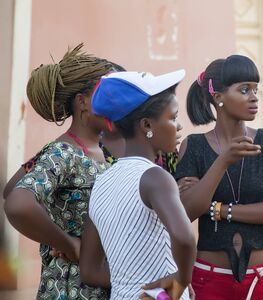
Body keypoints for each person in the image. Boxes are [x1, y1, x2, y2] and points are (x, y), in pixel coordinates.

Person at [3, 43, 120, 299]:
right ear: (83, 103)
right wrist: (66, 243)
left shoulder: (104, 151)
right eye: (109, 95)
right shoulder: (63, 152)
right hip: (70, 288)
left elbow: (11, 187)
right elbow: (17, 201)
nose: (118, 104)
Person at [174, 55, 263, 300]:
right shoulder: (193, 146)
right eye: (244, 89)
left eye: (255, 89)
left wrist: (219, 209)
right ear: (219, 98)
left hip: (262, 279)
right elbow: (187, 211)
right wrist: (223, 161)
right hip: (209, 278)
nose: (254, 96)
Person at [79, 71, 196, 300]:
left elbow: (89, 271)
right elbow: (184, 238)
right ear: (146, 125)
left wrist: (134, 283)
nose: (178, 125)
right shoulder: (155, 178)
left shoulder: (102, 182)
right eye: (172, 118)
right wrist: (181, 279)